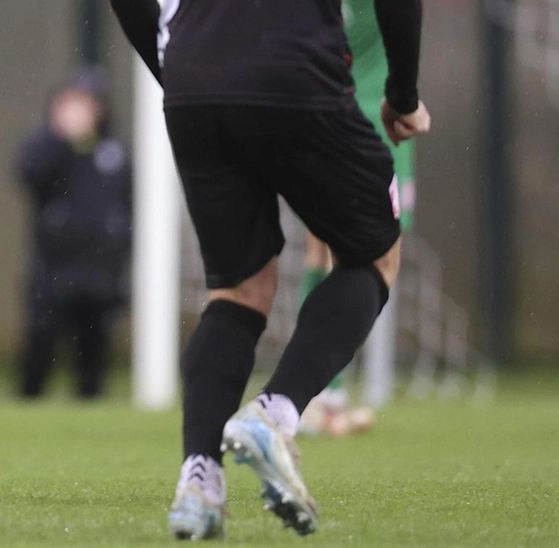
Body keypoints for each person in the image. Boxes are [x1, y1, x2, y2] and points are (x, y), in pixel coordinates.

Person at [111, 0, 429, 539]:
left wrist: (178, 71)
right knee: (374, 254)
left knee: (239, 290)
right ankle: (275, 413)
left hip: (194, 80)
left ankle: (200, 480)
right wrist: (402, 95)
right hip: (295, 67)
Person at [297, 0, 419, 438]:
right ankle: (323, 398)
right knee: (372, 259)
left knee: (322, 251)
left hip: (323, 115)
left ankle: (316, 398)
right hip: (379, 119)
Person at [15, 70, 133, 400]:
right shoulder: (46, 147)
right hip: (53, 272)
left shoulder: (115, 152)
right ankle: (27, 406)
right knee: (40, 346)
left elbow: (128, 205)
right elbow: (28, 174)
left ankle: (89, 409)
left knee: (92, 357)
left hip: (100, 275)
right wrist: (60, 137)